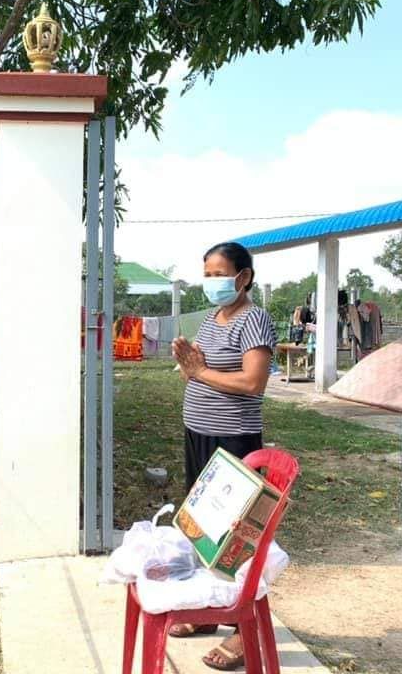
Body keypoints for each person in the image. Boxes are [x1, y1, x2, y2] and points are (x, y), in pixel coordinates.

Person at [171, 241, 277, 672]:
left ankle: (242, 629)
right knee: (204, 529)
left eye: (219, 275)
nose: (211, 282)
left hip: (233, 440)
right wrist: (189, 367)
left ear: (243, 278)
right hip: (198, 433)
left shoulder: (254, 319)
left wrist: (199, 371)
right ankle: (211, 611)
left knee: (239, 535)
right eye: (207, 274)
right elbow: (199, 372)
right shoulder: (212, 319)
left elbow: (253, 382)